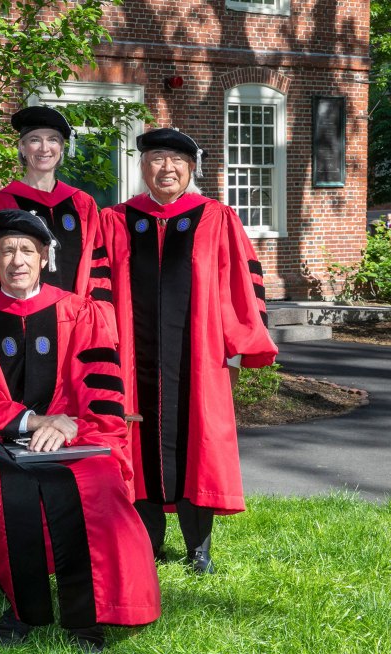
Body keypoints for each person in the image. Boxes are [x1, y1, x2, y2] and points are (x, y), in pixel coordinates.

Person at [0, 209, 161, 653]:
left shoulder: (81, 313)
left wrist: (73, 425)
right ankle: (26, 607)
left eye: (27, 250)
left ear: (44, 256)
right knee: (0, 490)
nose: (17, 260)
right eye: (7, 251)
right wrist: (34, 421)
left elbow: (100, 393)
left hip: (74, 436)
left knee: (95, 485)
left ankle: (87, 613)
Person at [92, 128, 278, 573]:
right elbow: (96, 289)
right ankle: (146, 544)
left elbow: (240, 283)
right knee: (136, 443)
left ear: (191, 168)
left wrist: (239, 345)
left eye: (177, 160)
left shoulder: (215, 217)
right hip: (133, 361)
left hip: (199, 360)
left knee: (200, 445)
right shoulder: (115, 220)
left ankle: (199, 549)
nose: (166, 168)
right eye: (156, 158)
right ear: (142, 167)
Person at [0, 105, 102, 295]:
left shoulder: (82, 203)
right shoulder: (0, 203)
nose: (44, 148)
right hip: (19, 315)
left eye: (53, 140)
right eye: (35, 140)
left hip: (75, 315)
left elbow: (96, 265)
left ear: (62, 148)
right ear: (22, 147)